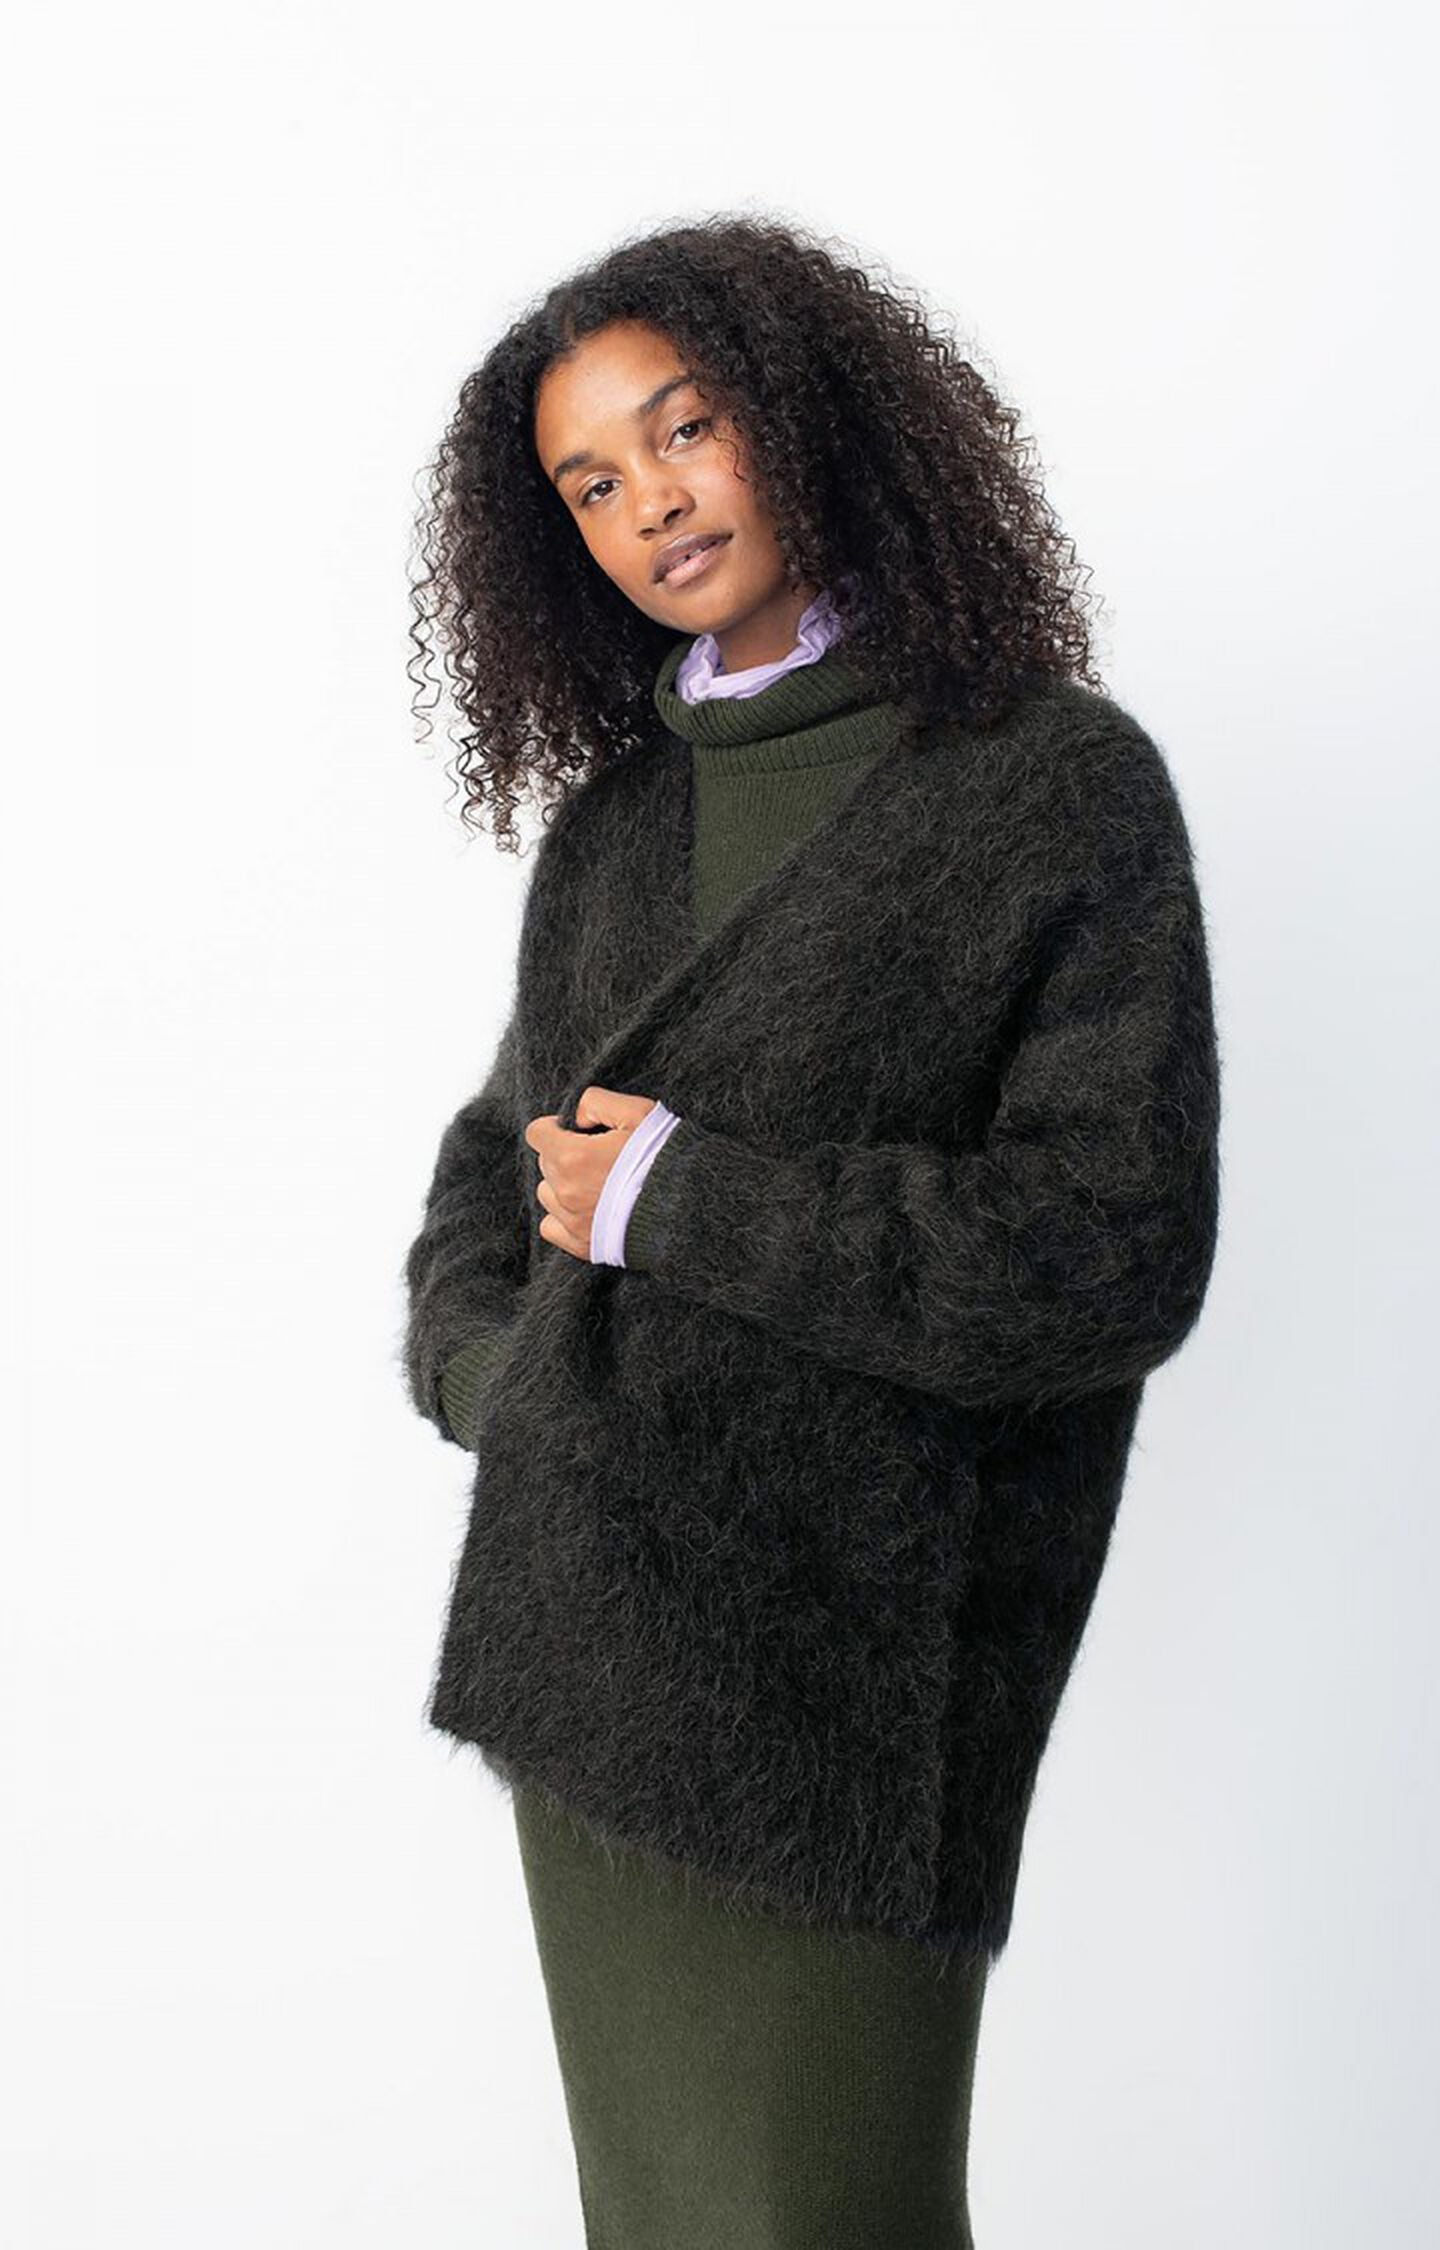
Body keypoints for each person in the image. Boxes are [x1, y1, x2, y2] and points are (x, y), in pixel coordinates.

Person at [399, 214, 1222, 2249]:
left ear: (803, 416)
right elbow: (493, 1166)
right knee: (657, 2219)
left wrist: (694, 1200)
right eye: (591, 482)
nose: (651, 504)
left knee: (833, 2212)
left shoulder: (1047, 784)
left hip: (862, 1681)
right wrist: (503, 1381)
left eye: (685, 430)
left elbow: (1116, 1243)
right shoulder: (618, 825)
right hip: (590, 1638)